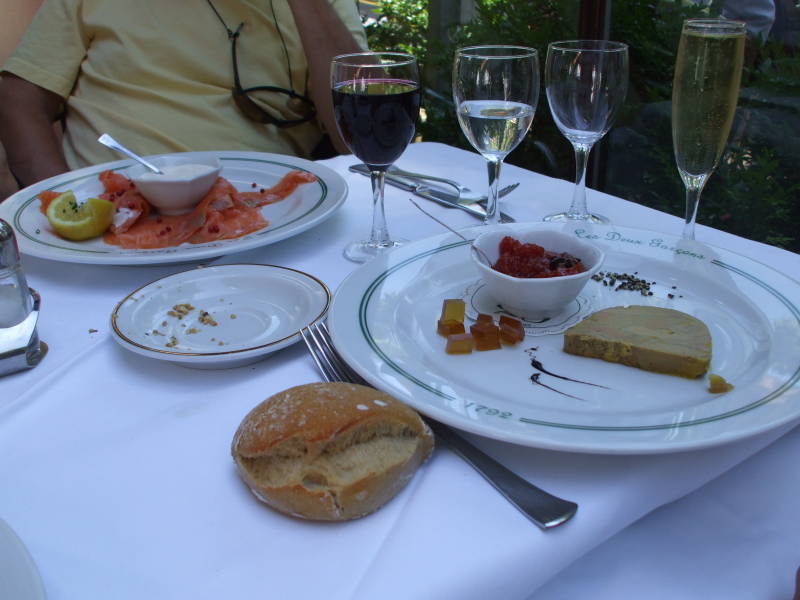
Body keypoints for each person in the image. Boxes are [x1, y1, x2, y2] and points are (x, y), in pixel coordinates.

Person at [0, 0, 367, 191]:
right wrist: (65, 202)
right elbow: (20, 98)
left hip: (261, 215)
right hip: (111, 210)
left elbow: (361, 135)